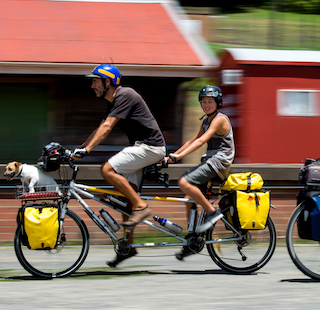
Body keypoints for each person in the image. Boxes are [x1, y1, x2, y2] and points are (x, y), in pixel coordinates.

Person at [71, 64, 166, 267]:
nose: (92, 86)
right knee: (126, 199)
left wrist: (87, 151)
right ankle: (128, 247)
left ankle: (142, 207)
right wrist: (78, 152)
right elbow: (101, 127)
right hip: (142, 147)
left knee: (107, 169)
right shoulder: (113, 101)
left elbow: (107, 126)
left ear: (108, 82)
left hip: (151, 147)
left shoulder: (126, 94)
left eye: (95, 81)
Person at [165, 85, 234, 241]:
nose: (206, 105)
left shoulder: (219, 119)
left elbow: (202, 140)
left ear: (218, 103)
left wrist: (179, 157)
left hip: (219, 163)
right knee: (189, 198)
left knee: (184, 182)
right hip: (211, 162)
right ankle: (193, 238)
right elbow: (193, 140)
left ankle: (212, 212)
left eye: (210, 101)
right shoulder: (206, 121)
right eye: (203, 102)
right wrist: (172, 156)